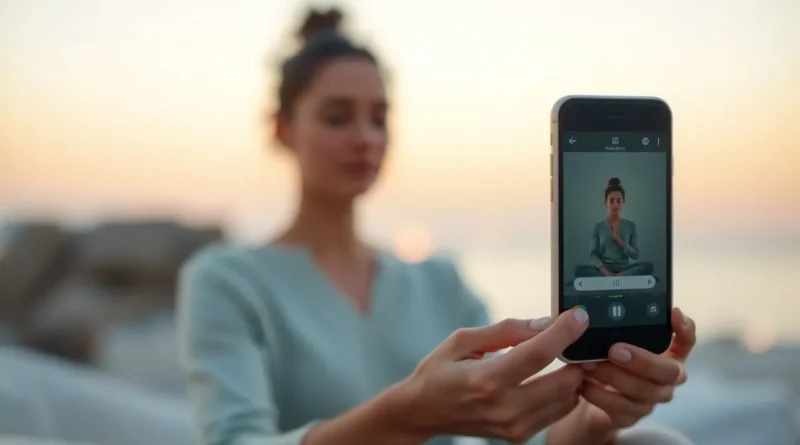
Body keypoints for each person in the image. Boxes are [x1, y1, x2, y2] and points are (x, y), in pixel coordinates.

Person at [176, 8, 696, 445]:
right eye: (338, 117)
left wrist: (606, 413)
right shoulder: (227, 281)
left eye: (379, 118)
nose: (366, 137)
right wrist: (407, 414)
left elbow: (523, 432)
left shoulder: (437, 281)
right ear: (283, 130)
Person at [574, 178, 655, 279]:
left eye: (619, 201)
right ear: (606, 203)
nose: (615, 205)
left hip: (625, 269)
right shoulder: (598, 226)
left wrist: (619, 240)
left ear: (623, 202)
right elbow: (593, 254)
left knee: (648, 266)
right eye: (611, 201)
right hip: (604, 269)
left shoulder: (631, 226)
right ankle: (616, 280)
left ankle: (619, 278)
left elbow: (635, 255)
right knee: (578, 269)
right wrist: (605, 272)